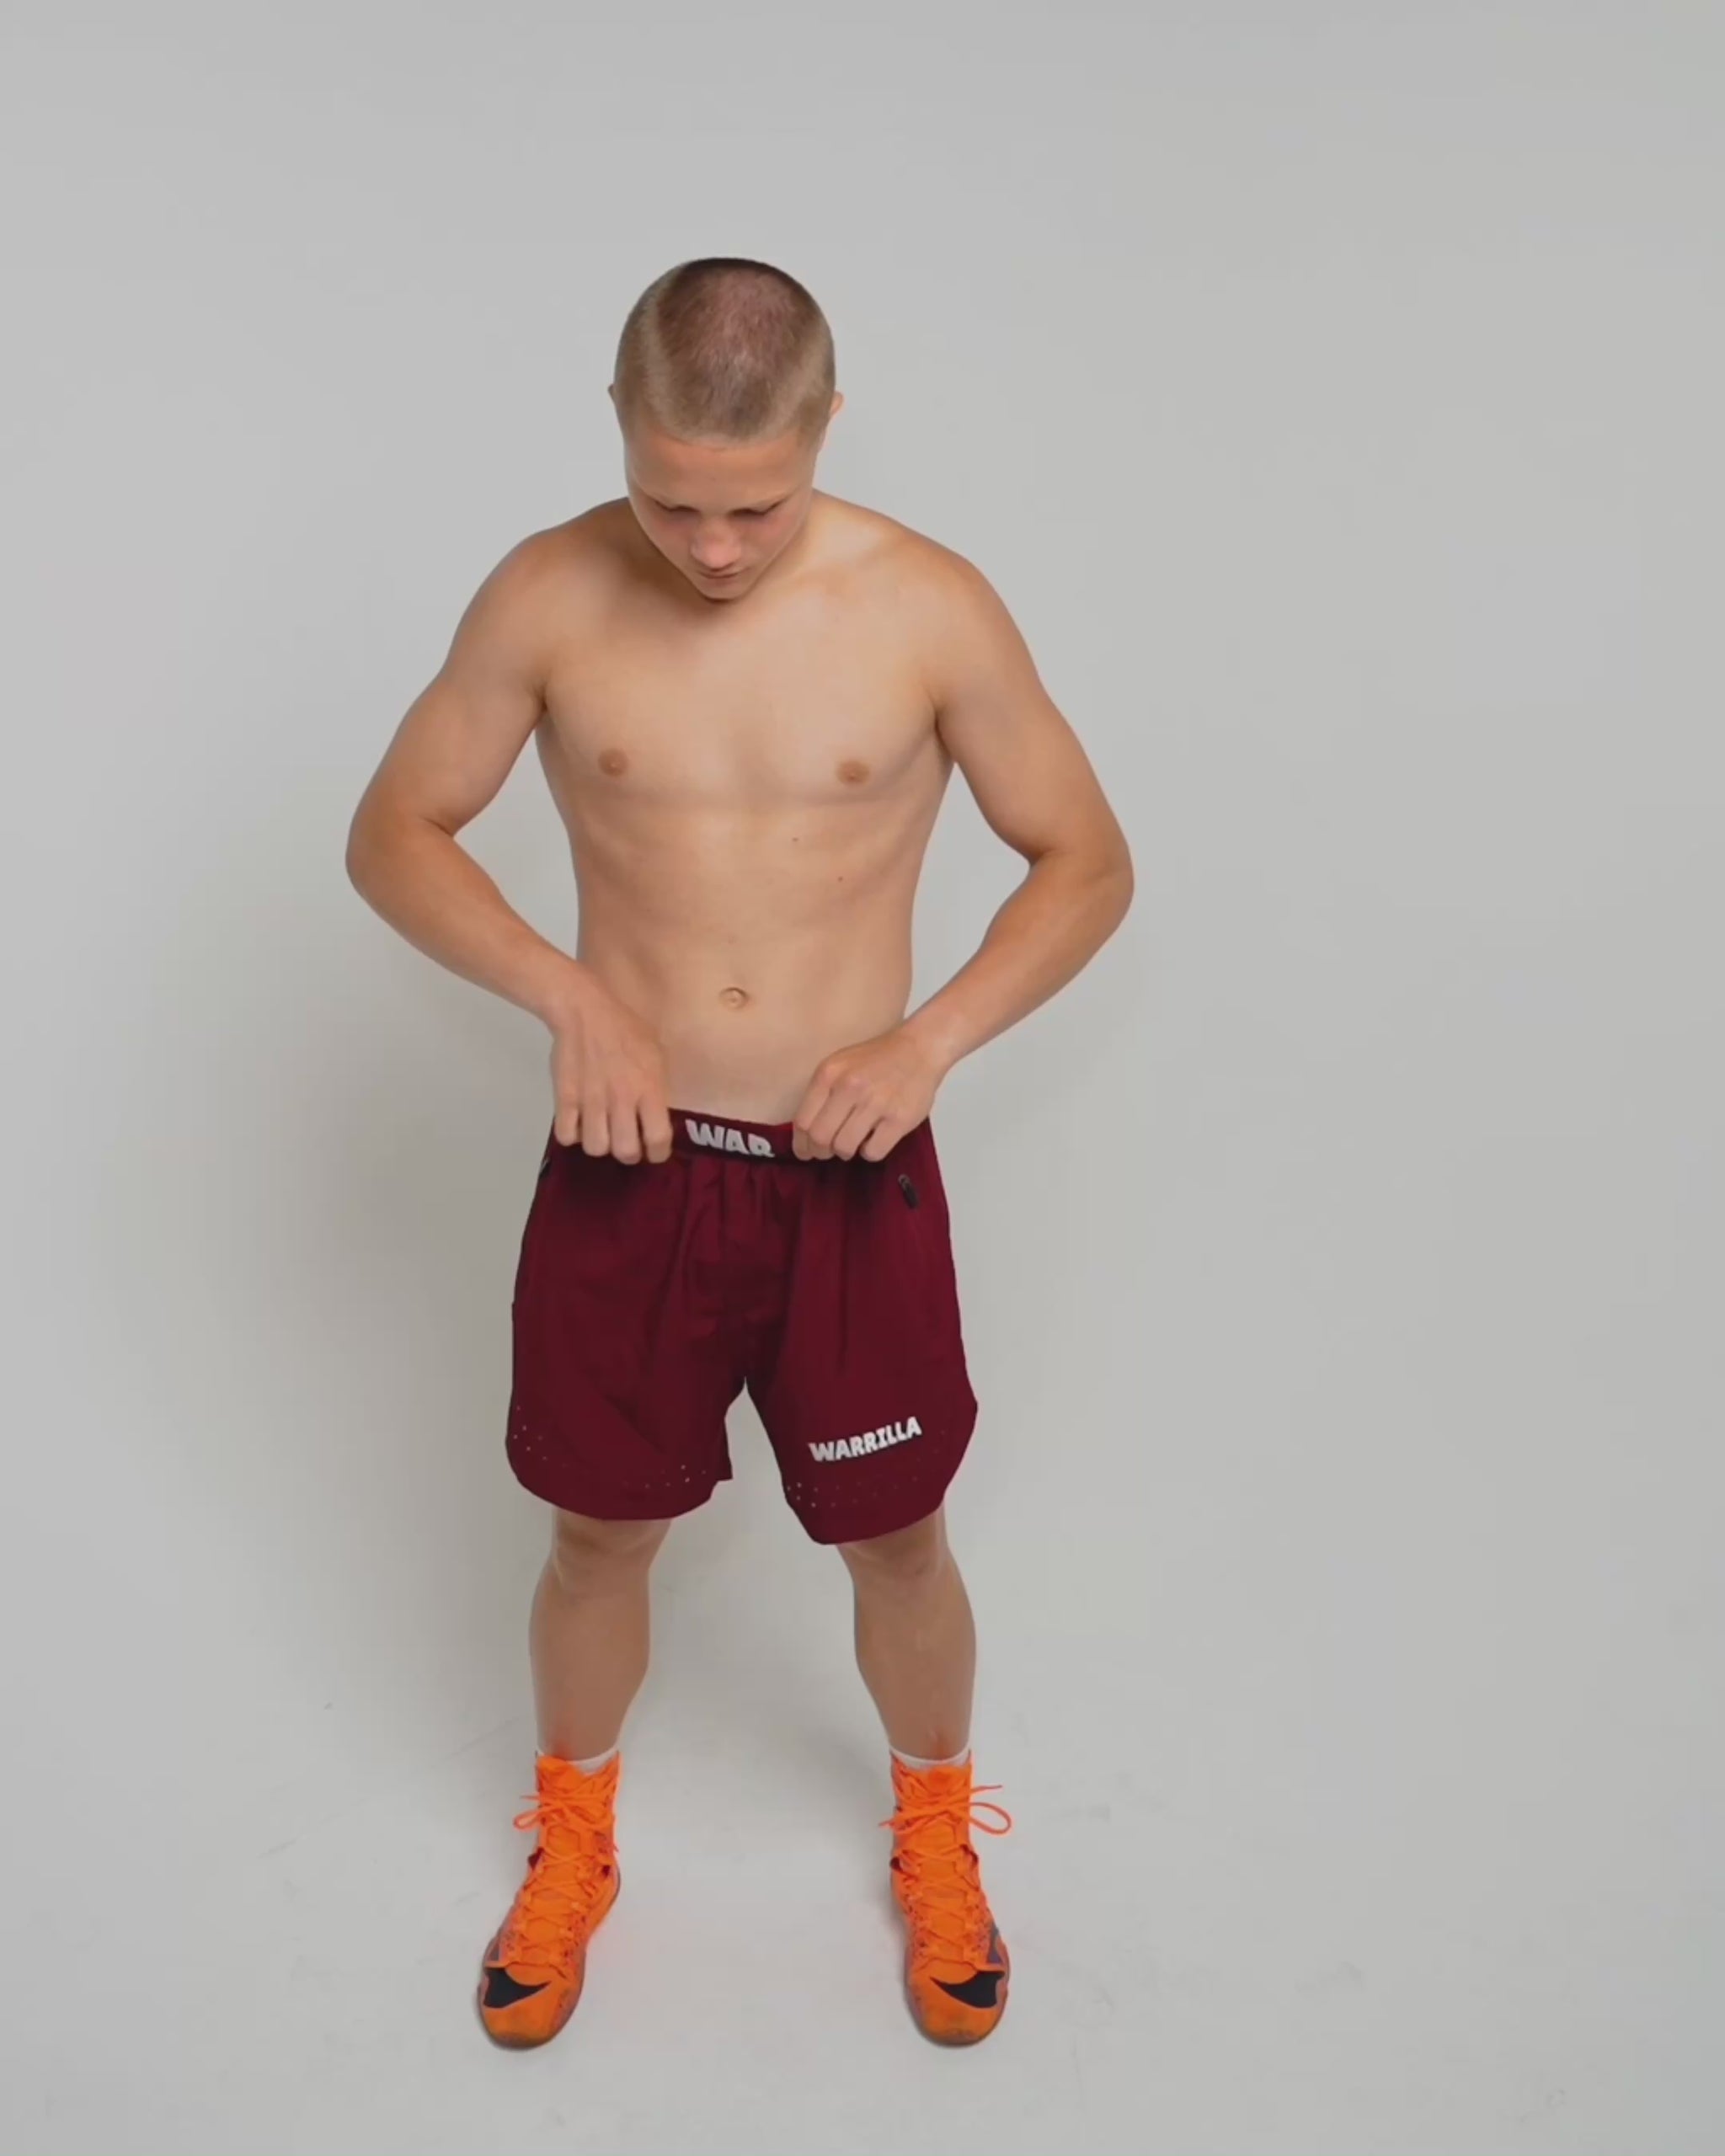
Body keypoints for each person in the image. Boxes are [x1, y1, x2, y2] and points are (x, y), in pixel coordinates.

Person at [344, 256, 1133, 2050]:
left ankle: (937, 1835)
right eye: (671, 502)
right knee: (597, 1533)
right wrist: (569, 995)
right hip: (630, 1161)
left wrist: (926, 1041)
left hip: (849, 1170)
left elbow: (1087, 859)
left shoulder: (927, 606)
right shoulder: (548, 592)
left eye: (754, 508)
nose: (710, 549)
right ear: (620, 429)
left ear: (828, 427)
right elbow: (393, 831)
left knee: (899, 1539)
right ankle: (575, 1841)